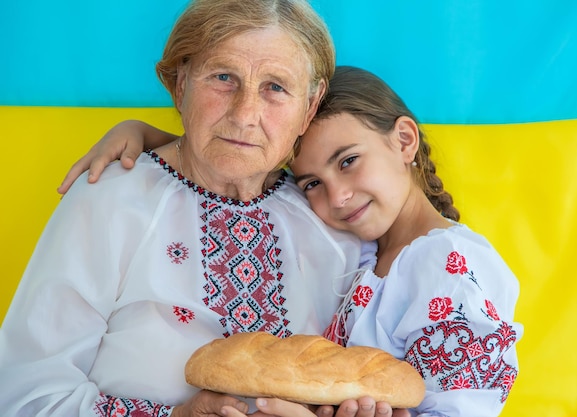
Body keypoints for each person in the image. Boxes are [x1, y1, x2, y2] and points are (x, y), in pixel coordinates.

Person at [0, 1, 407, 416]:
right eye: (224, 77)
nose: (245, 115)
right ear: (180, 84)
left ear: (310, 104)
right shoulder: (111, 202)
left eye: (275, 88)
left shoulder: (332, 215)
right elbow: (24, 393)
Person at [58, 66, 523, 417]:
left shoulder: (450, 268)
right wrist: (142, 133)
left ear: (404, 141)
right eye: (312, 184)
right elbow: (237, 165)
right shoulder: (364, 245)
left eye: (348, 161)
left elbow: (465, 403)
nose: (337, 196)